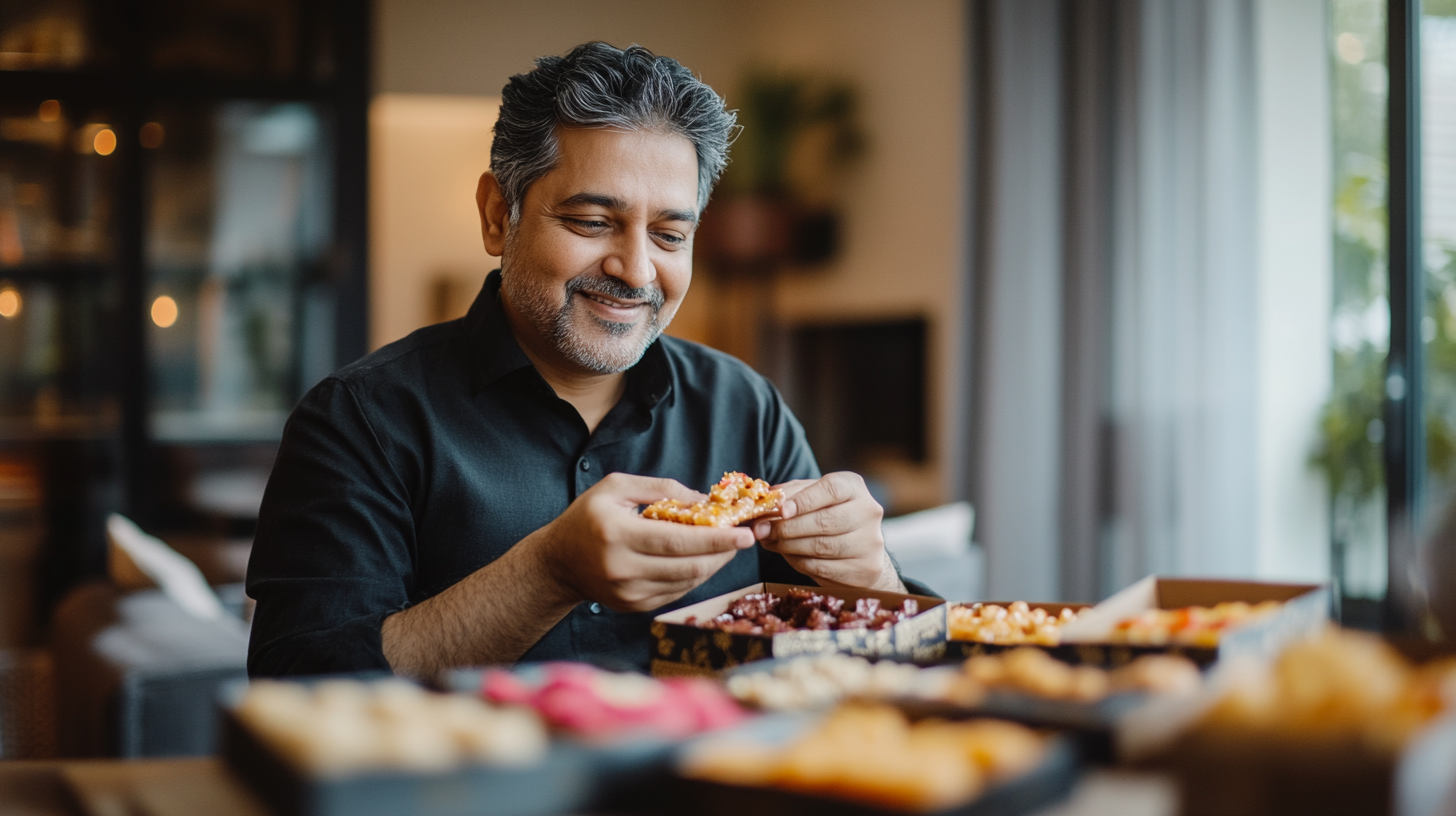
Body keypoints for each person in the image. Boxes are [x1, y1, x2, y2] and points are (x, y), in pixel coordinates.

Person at [246, 42, 930, 679]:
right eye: (591, 222)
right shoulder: (358, 421)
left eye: (669, 233)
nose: (636, 270)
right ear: (496, 216)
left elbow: (898, 667)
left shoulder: (744, 406)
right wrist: (547, 575)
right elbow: (297, 685)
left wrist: (875, 580)